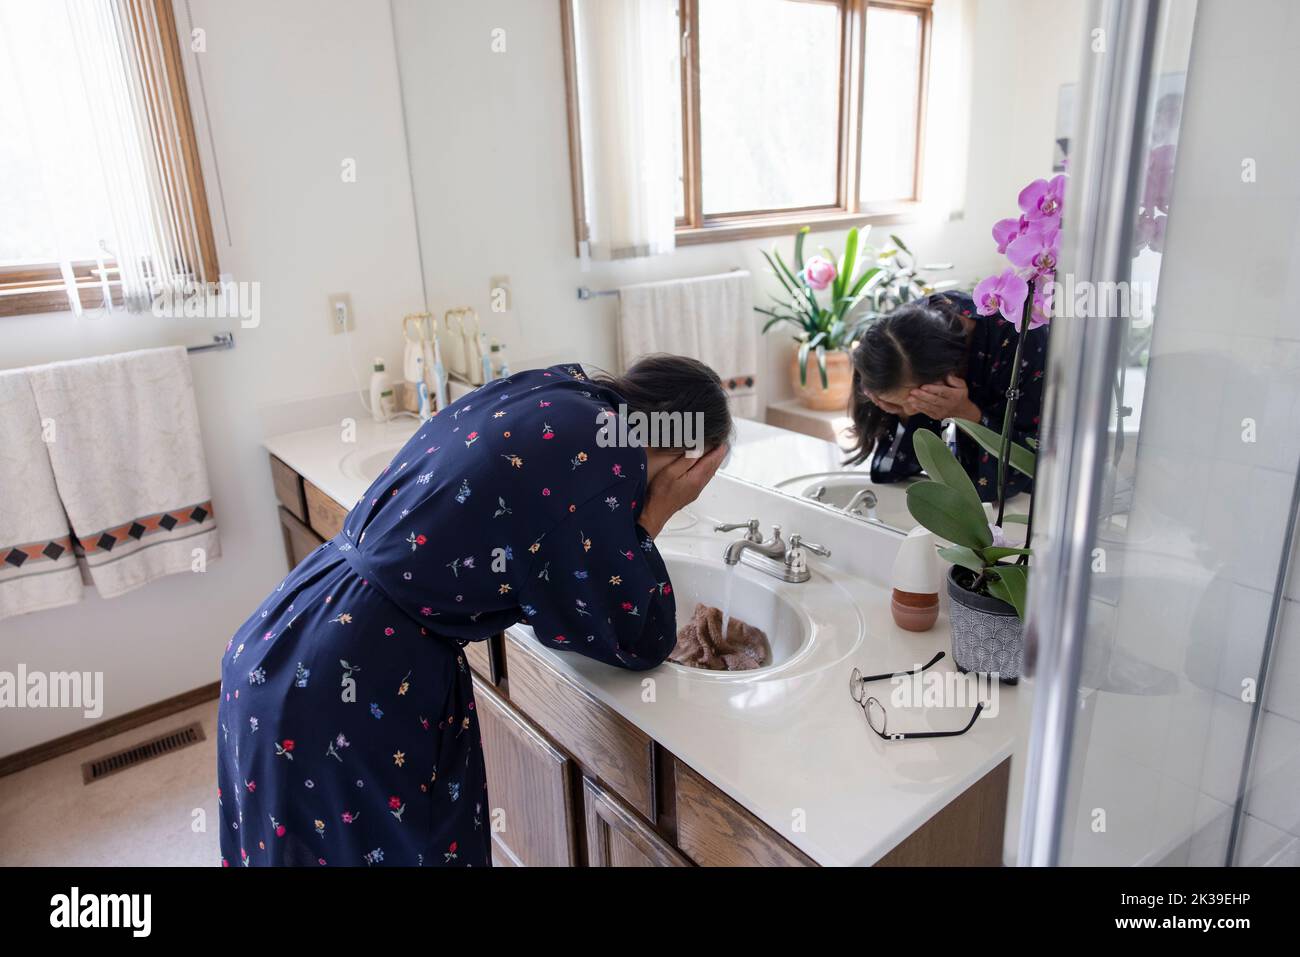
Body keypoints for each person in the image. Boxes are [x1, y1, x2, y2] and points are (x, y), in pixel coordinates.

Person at [216, 356, 731, 866]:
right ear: (691, 458)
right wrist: (658, 510)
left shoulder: (553, 390)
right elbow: (636, 636)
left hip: (285, 636)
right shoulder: (610, 462)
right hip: (352, 687)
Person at [843, 292, 1046, 501]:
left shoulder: (1022, 341)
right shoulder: (896, 341)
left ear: (950, 374)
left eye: (916, 402)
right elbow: (888, 473)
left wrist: (969, 415)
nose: (911, 410)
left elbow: (1022, 469)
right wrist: (903, 417)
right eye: (894, 405)